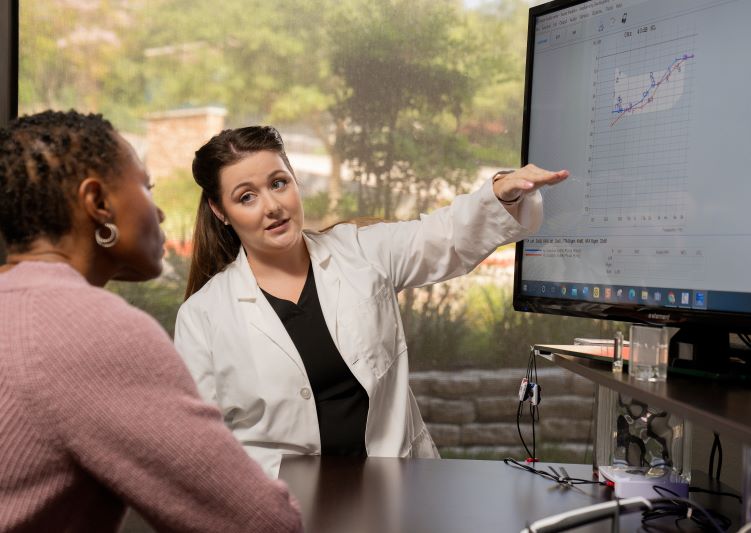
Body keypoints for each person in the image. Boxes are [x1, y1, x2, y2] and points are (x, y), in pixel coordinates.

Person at [175, 125, 568, 478]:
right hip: (285, 508)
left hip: (397, 492)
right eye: (247, 197)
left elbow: (442, 237)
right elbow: (202, 443)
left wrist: (499, 192)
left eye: (279, 183)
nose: (272, 206)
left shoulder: (360, 251)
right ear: (220, 211)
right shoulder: (202, 317)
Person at [0, 111, 303, 532]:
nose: (159, 213)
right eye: (146, 187)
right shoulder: (94, 331)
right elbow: (262, 523)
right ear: (98, 203)